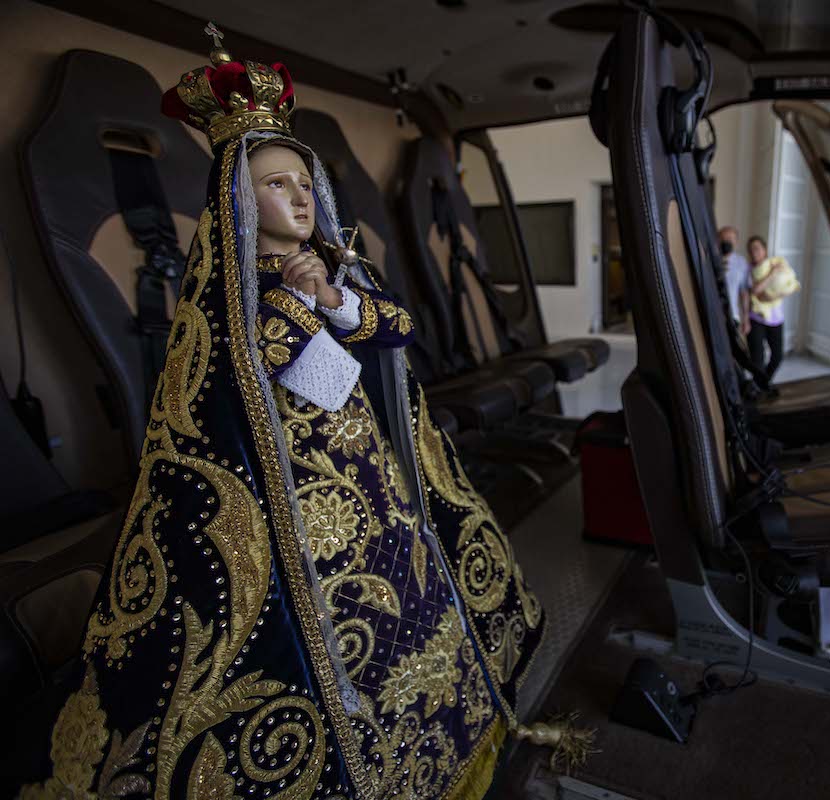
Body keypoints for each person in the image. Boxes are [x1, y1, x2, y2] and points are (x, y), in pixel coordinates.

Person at [16, 30, 583, 800]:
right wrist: (290, 299)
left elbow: (396, 328)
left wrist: (333, 299)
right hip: (283, 494)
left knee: (409, 589)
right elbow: (226, 382)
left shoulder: (341, 266)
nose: (298, 198)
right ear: (238, 203)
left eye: (301, 182)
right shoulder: (221, 297)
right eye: (275, 186)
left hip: (370, 472)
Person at [746, 235, 798, 382]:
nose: (754, 252)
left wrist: (779, 293)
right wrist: (772, 274)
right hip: (756, 319)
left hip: (776, 319)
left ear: (765, 250)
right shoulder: (749, 270)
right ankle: (759, 387)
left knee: (777, 357)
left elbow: (789, 284)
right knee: (757, 360)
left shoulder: (777, 263)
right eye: (751, 250)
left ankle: (763, 384)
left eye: (757, 248)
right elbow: (756, 291)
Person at [717, 225, 750, 335]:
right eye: (723, 239)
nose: (726, 242)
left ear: (736, 242)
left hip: (732, 316)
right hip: (710, 312)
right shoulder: (709, 258)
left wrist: (745, 318)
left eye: (730, 239)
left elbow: (744, 292)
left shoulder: (741, 263)